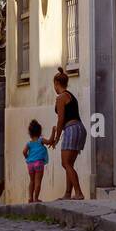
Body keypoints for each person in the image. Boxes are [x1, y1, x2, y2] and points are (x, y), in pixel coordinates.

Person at [47, 66, 86, 200]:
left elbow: (61, 119)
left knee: (65, 163)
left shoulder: (60, 98)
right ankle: (68, 193)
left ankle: (79, 192)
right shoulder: (70, 95)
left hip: (71, 129)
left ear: (56, 84)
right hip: (80, 128)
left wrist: (57, 138)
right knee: (70, 163)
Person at [23, 119, 49, 203]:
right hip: (38, 163)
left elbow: (24, 152)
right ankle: (36, 198)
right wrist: (53, 132)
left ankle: (30, 198)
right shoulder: (41, 140)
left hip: (30, 164)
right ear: (39, 131)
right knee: (38, 182)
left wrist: (27, 157)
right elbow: (49, 142)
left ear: (30, 133)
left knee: (32, 181)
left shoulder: (29, 143)